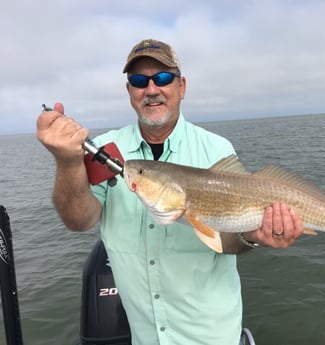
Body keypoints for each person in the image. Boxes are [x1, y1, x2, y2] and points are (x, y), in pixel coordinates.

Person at [36, 39, 304, 345]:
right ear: (129, 92)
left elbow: (227, 238)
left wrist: (254, 236)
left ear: (182, 87)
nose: (151, 89)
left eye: (163, 78)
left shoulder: (216, 151)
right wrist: (68, 161)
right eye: (139, 81)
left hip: (213, 337)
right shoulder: (107, 150)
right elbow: (78, 221)